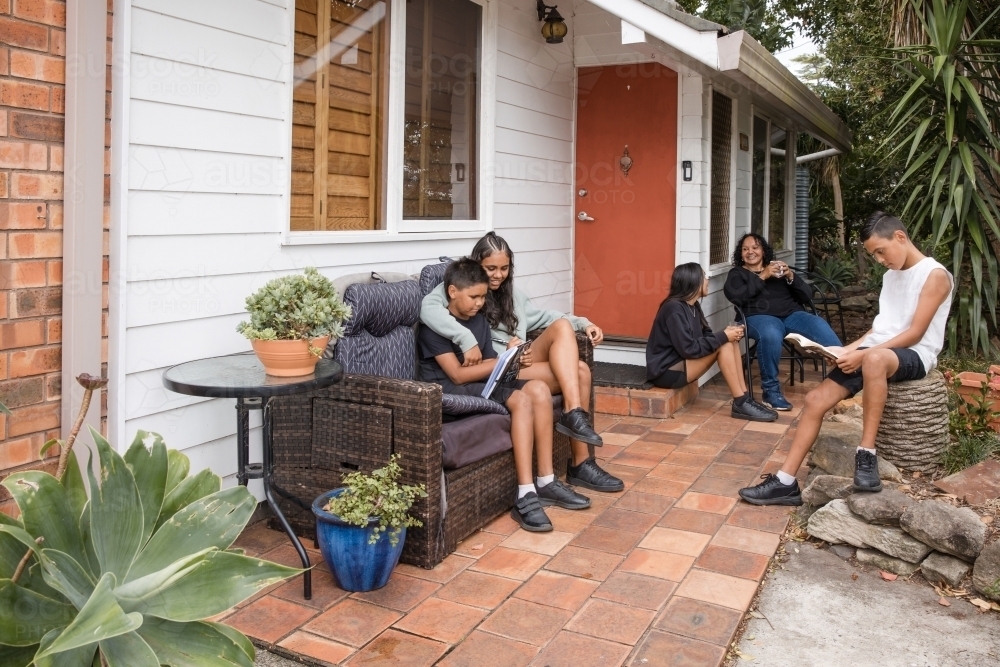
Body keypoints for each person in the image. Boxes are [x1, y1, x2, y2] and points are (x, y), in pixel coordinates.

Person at [739, 212, 954, 505]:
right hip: (878, 351)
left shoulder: (935, 275)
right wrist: (846, 350)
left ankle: (866, 455)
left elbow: (915, 333)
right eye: (874, 254)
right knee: (815, 400)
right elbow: (882, 328)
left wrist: (863, 355)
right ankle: (786, 483)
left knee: (875, 360)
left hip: (915, 354)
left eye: (880, 251)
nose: (879, 260)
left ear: (900, 237)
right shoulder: (892, 275)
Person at [421, 232, 624, 493]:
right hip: (496, 366)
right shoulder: (462, 291)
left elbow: (544, 316)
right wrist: (467, 339)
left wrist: (584, 323)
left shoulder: (513, 296)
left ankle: (578, 439)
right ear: (476, 266)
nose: (497, 275)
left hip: (518, 357)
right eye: (490, 268)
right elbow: (428, 309)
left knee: (563, 329)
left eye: (504, 268)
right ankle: (579, 460)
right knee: (581, 371)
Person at [418, 259, 591, 532]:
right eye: (473, 297)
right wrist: (505, 361)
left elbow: (487, 362)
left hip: (479, 383)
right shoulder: (436, 325)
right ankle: (525, 492)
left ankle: (545, 481)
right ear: (452, 292)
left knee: (538, 388)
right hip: (448, 392)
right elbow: (457, 375)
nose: (479, 303)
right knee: (522, 399)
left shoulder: (478, 321)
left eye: (483, 296)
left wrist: (511, 361)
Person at [724, 233, 843, 411]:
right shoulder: (737, 274)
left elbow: (806, 296)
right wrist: (762, 276)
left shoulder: (777, 270)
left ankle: (847, 375)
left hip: (792, 315)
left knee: (818, 324)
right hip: (757, 317)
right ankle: (771, 392)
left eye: (755, 248)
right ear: (740, 254)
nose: (750, 252)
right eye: (745, 249)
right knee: (771, 333)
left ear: (763, 251)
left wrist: (790, 276)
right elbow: (737, 297)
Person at [646, 262, 778, 423]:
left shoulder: (693, 306)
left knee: (730, 342)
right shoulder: (673, 309)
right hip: (666, 372)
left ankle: (745, 398)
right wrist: (723, 336)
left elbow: (707, 335)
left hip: (683, 364)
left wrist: (728, 333)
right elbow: (689, 349)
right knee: (724, 343)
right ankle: (741, 402)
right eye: (705, 277)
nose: (708, 281)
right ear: (694, 281)